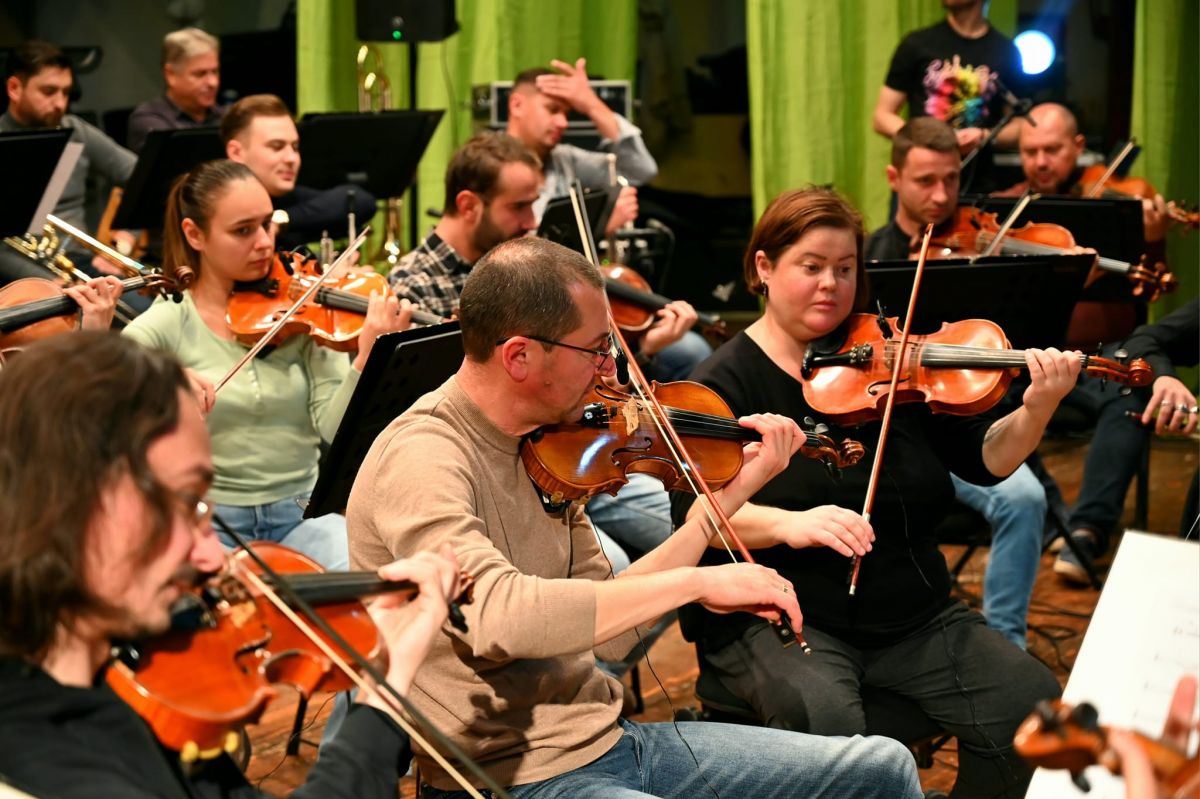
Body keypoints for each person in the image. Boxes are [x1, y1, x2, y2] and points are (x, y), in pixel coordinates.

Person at [347, 236, 923, 798]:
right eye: (596, 349)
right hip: (510, 777)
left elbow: (615, 636)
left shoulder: (544, 445)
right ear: (519, 356)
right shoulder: (423, 456)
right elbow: (499, 616)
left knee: (883, 767)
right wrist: (697, 583)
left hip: (611, 743)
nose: (611, 372)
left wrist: (724, 503)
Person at [672, 187, 1072, 798]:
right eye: (811, 267)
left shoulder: (889, 361)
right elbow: (693, 515)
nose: (830, 285)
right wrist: (788, 525)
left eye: (845, 269)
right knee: (831, 730)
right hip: (785, 616)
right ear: (764, 267)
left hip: (912, 612)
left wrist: (1038, 407)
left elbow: (986, 459)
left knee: (1029, 703)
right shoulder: (723, 382)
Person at [0, 331, 463, 798]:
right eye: (186, 505)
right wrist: (384, 691)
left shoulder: (111, 671)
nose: (212, 557)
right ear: (69, 508)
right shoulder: (72, 776)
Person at [388, 132, 683, 591]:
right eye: (519, 206)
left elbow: (589, 373)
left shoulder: (532, 270)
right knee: (622, 563)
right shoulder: (413, 288)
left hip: (572, 448)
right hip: (514, 465)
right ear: (468, 205)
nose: (532, 222)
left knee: (680, 515)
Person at [122, 159, 411, 571]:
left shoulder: (303, 308)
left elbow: (333, 429)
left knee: (371, 580)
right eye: (243, 231)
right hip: (212, 524)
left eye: (267, 224)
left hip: (302, 515)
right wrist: (161, 381)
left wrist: (366, 359)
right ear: (195, 234)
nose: (264, 242)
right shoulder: (170, 323)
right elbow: (109, 389)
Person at [864, 117, 1050, 649]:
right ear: (894, 178)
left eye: (952, 179)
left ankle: (1007, 641)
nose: (942, 195)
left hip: (964, 427)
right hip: (894, 434)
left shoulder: (980, 255)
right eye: (926, 181)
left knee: (1026, 498)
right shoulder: (868, 259)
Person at [1054, 298, 1199, 583]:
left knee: (1124, 397)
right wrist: (1163, 378)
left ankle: (1084, 527)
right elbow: (1144, 340)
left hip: (1092, 361)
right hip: (1041, 365)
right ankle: (1056, 523)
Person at [0, 39, 137, 285]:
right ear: (14, 88)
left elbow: (143, 177)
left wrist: (127, 237)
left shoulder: (75, 131)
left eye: (65, 92)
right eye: (49, 91)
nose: (61, 104)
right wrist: (50, 283)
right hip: (17, 275)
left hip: (78, 263)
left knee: (154, 305)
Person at [872, 0, 1026, 192]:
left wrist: (983, 136)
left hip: (977, 186)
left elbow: (1021, 126)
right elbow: (882, 117)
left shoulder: (1007, 52)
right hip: (920, 183)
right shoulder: (916, 44)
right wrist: (924, 140)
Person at [995, 103, 1171, 248]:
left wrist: (1153, 240)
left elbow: (1155, 276)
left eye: (1052, 149)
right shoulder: (1007, 206)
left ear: (1078, 146)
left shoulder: (1107, 193)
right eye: (1030, 151)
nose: (1041, 162)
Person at [220, 94, 377, 251]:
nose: (292, 158)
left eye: (295, 147)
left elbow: (361, 201)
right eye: (276, 146)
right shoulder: (215, 209)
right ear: (236, 153)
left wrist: (281, 220)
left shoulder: (286, 200)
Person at [127, 27, 228, 153]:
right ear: (171, 74)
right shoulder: (148, 121)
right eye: (200, 74)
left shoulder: (227, 118)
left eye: (215, 71)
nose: (213, 82)